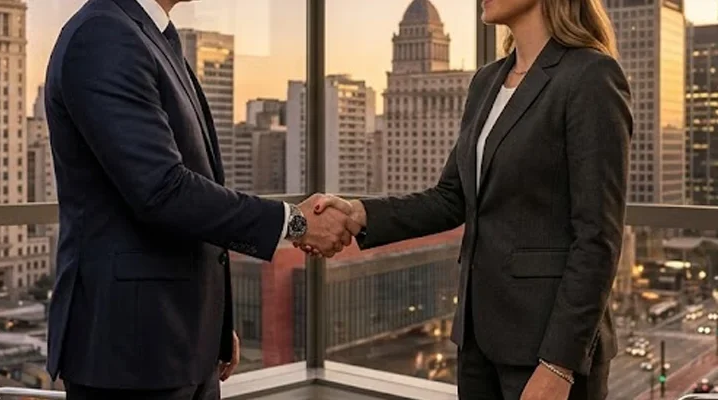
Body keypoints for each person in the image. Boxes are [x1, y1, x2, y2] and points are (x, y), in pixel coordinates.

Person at [302, 0, 632, 397]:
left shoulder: (591, 76)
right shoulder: (487, 81)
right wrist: (357, 213)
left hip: (548, 349)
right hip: (479, 341)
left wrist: (558, 366)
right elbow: (451, 197)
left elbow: (598, 239)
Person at [43, 0, 359, 399]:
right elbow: (163, 189)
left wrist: (212, 324)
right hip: (130, 352)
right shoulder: (103, 35)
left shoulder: (150, 35)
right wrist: (294, 222)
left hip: (179, 341)